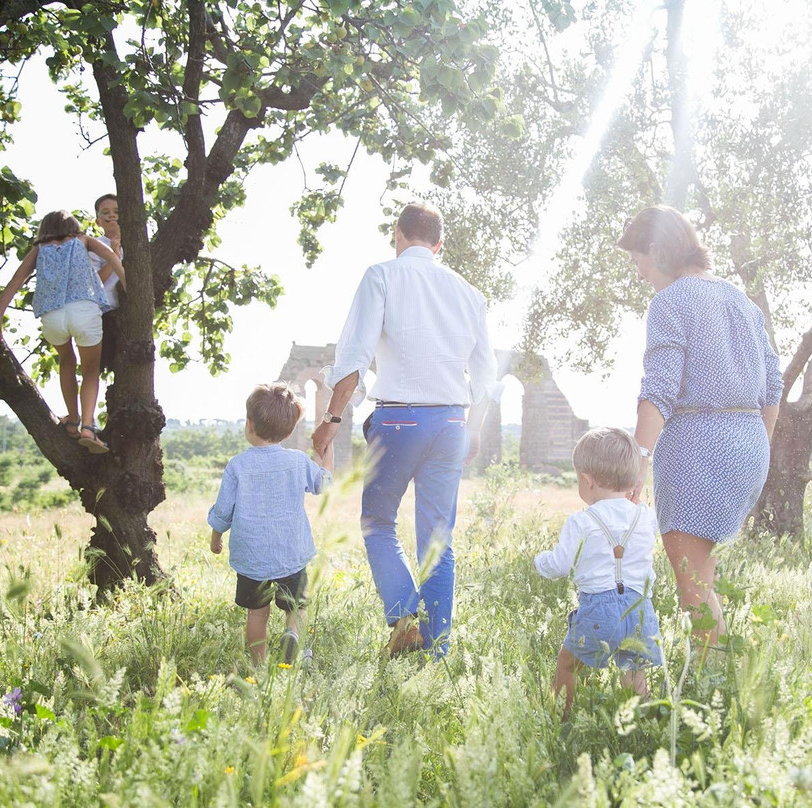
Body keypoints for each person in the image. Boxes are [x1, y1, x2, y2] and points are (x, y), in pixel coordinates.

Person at [312, 201, 497, 658]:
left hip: (399, 419)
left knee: (377, 522)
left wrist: (331, 420)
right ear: (439, 244)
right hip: (453, 421)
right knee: (438, 539)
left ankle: (404, 618)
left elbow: (354, 357)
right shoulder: (470, 293)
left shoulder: (382, 275)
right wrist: (473, 431)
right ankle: (437, 653)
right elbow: (486, 378)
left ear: (398, 235)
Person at [619, 205, 782, 651]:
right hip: (749, 444)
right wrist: (758, 446)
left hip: (698, 449)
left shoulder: (670, 301)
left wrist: (639, 459)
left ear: (656, 250)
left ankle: (718, 687)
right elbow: (773, 385)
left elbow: (661, 388)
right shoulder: (741, 301)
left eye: (639, 262)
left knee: (693, 585)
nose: (639, 275)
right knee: (702, 578)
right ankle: (716, 675)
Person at [535, 427, 662, 715]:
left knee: (568, 664)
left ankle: (559, 715)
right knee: (634, 674)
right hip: (640, 611)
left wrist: (540, 561)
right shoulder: (645, 517)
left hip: (598, 612)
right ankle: (648, 722)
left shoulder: (581, 522)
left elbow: (560, 565)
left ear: (586, 480)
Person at [208, 382, 334, 666]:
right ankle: (291, 634)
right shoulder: (298, 461)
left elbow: (223, 510)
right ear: (289, 431)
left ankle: (259, 666)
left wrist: (215, 536)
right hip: (290, 553)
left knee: (257, 613)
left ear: (249, 424)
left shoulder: (237, 465)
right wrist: (327, 450)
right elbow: (324, 483)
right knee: (297, 607)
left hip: (252, 558)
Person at [0, 210, 126, 453]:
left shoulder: (39, 249)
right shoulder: (83, 240)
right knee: (90, 370)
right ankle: (88, 427)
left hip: (52, 315)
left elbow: (16, 280)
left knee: (66, 361)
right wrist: (129, 287)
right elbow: (112, 259)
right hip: (84, 309)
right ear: (74, 228)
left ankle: (73, 420)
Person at [89, 194, 123, 374]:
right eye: (106, 212)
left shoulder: (137, 244)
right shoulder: (96, 245)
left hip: (126, 309)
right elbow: (94, 281)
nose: (112, 216)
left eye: (117, 212)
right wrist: (113, 259)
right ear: (98, 221)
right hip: (106, 311)